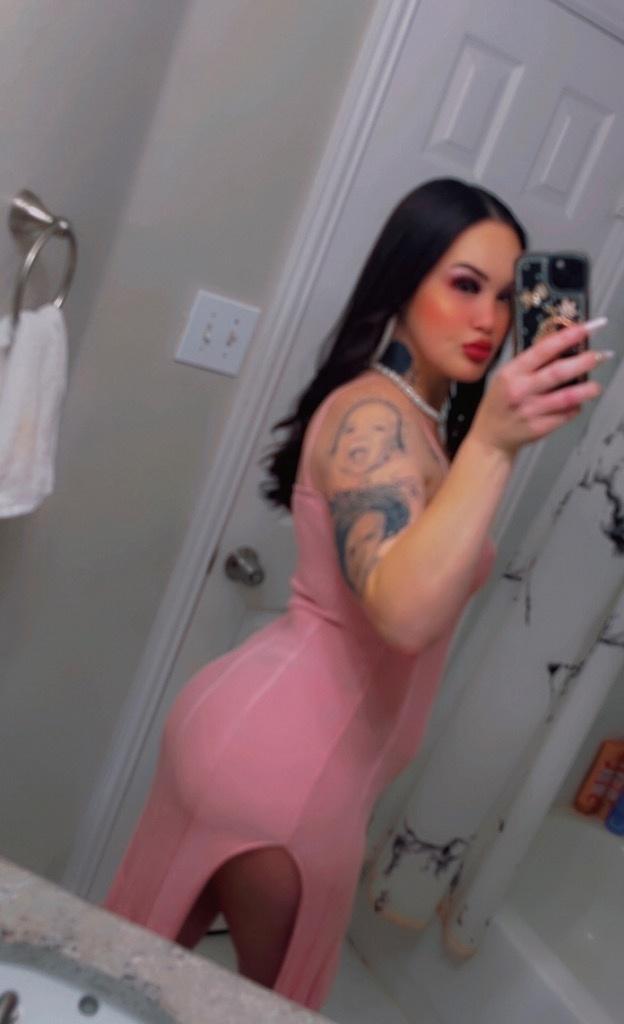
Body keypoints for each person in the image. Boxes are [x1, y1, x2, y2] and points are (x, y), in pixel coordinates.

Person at [105, 178, 609, 1010]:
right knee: (263, 1005)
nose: (488, 319)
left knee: (129, 979)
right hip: (288, 773)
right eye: (464, 284)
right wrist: (494, 444)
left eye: (504, 293)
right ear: (403, 282)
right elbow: (403, 616)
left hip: (266, 744)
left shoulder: (413, 420)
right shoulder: (374, 419)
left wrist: (487, 441)